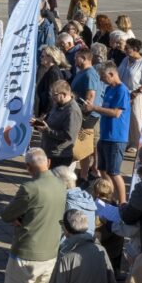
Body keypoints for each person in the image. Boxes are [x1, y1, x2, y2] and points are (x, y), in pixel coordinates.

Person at [1, 147, 66, 283]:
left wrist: (19, 217)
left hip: (26, 254)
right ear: (47, 162)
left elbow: (7, 214)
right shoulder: (60, 184)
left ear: (28, 168)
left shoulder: (29, 188)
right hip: (50, 253)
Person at [85, 63, 130, 203]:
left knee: (114, 172)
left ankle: (122, 203)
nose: (101, 80)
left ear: (112, 74)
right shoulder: (109, 88)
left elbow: (116, 113)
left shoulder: (122, 90)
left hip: (116, 137)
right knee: (103, 169)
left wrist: (94, 107)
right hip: (105, 135)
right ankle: (110, 197)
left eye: (103, 77)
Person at [70, 49, 103, 184]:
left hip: (88, 117)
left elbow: (90, 96)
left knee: (86, 146)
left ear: (84, 58)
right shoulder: (82, 72)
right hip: (83, 115)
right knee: (85, 147)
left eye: (76, 58)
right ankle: (83, 176)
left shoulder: (89, 74)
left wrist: (82, 115)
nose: (74, 60)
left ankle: (87, 173)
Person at [34, 80, 82, 169]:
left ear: (64, 94)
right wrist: (39, 123)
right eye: (51, 94)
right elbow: (50, 123)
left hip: (59, 156)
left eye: (54, 95)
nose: (52, 97)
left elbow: (69, 136)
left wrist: (47, 130)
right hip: (48, 152)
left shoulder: (72, 111)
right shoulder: (57, 104)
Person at [119, 38, 142, 149]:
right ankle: (128, 141)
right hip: (124, 94)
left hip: (136, 95)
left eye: (127, 48)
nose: (124, 49)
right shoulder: (126, 59)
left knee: (135, 118)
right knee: (125, 118)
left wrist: (138, 91)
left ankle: (137, 144)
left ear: (135, 49)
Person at [35, 45, 70, 118]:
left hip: (47, 113)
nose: (40, 58)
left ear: (50, 58)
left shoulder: (53, 73)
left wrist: (45, 112)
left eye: (42, 56)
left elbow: (52, 95)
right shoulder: (52, 70)